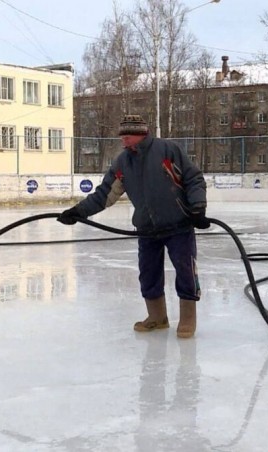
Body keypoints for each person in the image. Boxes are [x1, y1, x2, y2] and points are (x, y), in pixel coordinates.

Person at [57, 114, 209, 338]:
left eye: (126, 137)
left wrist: (197, 208)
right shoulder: (122, 162)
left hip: (179, 225)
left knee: (186, 271)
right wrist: (78, 212)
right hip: (147, 229)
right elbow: (104, 195)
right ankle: (157, 317)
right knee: (148, 274)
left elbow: (193, 179)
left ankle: (187, 319)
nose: (123, 141)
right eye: (122, 137)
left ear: (140, 134)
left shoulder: (168, 150)